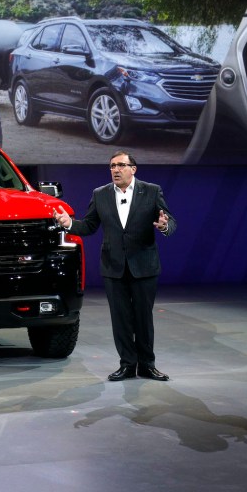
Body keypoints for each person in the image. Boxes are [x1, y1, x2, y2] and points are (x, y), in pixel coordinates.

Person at [53, 151, 175, 382]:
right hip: (113, 267)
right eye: (112, 166)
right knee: (120, 319)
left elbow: (170, 220)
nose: (115, 170)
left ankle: (147, 365)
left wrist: (164, 225)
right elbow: (89, 226)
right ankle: (127, 365)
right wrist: (69, 224)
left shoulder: (151, 190)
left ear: (133, 169)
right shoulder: (100, 194)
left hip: (144, 266)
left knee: (143, 318)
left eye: (120, 165)